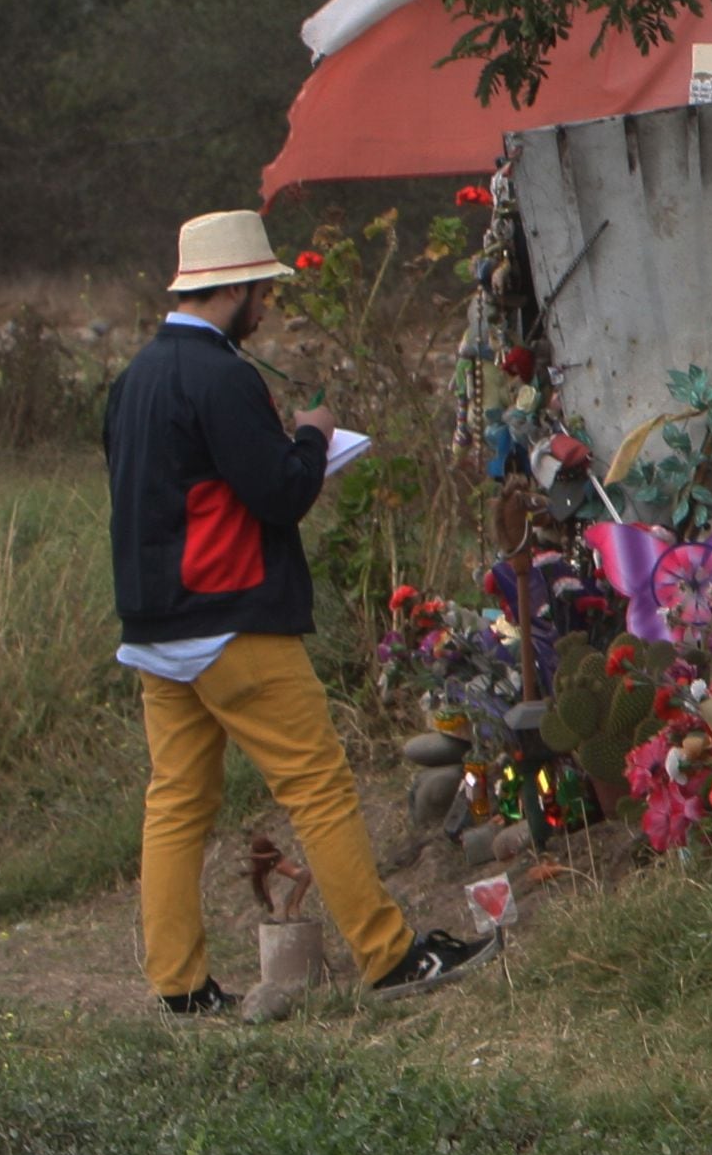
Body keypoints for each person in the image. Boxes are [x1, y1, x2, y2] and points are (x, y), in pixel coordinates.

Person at [110, 209, 491, 1010]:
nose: (269, 308)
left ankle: (179, 987)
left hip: (155, 628)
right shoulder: (222, 376)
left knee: (176, 803)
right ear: (239, 288)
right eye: (265, 293)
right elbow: (281, 494)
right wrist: (314, 437)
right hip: (234, 622)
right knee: (317, 786)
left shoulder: (135, 378)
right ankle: (389, 959)